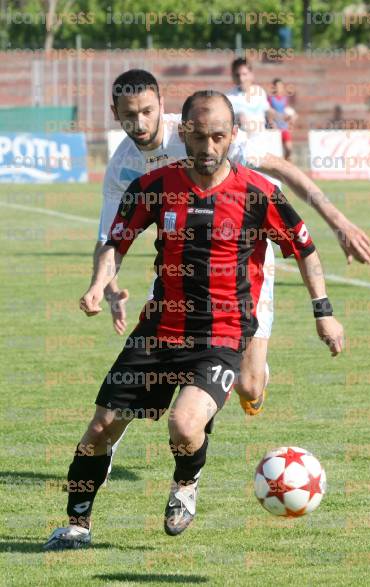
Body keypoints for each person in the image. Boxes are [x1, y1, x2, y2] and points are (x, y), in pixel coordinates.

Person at [43, 90, 344, 550]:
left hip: (221, 335)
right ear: (183, 132)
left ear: (233, 136)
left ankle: (185, 482)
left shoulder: (258, 194)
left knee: (185, 426)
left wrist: (324, 313)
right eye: (198, 136)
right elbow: (116, 241)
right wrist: (98, 282)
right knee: (101, 428)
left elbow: (304, 248)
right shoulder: (155, 186)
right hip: (158, 330)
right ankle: (77, 526)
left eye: (218, 136)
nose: (207, 148)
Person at [97, 69, 370, 417]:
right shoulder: (122, 168)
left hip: (243, 256)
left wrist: (339, 222)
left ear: (160, 106)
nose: (139, 123)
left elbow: (284, 170)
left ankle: (241, 380)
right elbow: (109, 238)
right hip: (180, 265)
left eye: (146, 111)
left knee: (249, 385)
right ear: (115, 113)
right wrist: (108, 286)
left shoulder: (202, 129)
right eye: (129, 115)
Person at [226, 58, 270, 136]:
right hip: (240, 144)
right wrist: (236, 118)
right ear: (233, 76)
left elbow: (268, 113)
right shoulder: (228, 97)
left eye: (244, 74)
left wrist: (282, 116)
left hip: (261, 141)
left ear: (251, 74)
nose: (241, 79)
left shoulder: (260, 91)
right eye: (237, 75)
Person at [268, 78, 297, 161]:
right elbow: (268, 112)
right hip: (275, 129)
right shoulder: (270, 99)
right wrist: (271, 123)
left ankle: (287, 163)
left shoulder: (285, 99)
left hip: (284, 127)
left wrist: (291, 119)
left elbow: (287, 112)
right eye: (276, 86)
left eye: (280, 86)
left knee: (289, 149)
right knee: (278, 153)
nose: (279, 88)